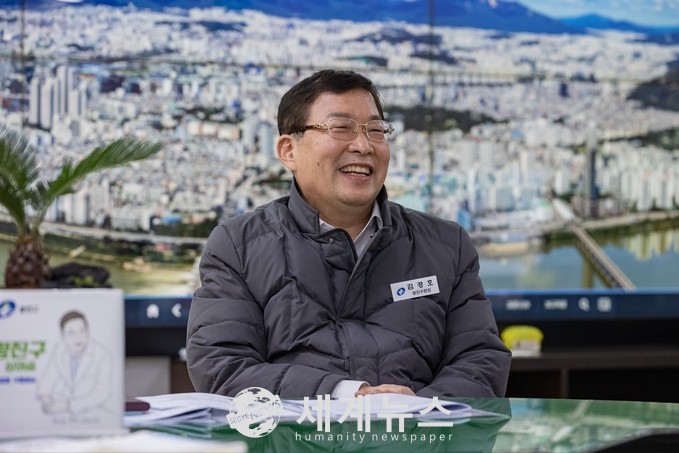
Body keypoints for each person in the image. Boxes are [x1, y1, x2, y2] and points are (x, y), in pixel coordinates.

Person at [186, 69, 511, 399]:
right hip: (295, 431)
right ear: (288, 151)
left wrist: (415, 410)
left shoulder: (446, 245)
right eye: (341, 128)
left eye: (376, 130)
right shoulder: (239, 246)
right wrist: (346, 395)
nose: (363, 146)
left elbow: (481, 361)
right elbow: (223, 366)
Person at [36, 310, 113, 415]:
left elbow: (102, 394)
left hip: (95, 412)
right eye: (71, 333)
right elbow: (46, 381)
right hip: (64, 413)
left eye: (82, 331)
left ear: (88, 332)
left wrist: (68, 406)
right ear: (63, 336)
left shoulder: (103, 355)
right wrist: (46, 399)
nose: (78, 337)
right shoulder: (59, 350)